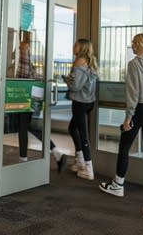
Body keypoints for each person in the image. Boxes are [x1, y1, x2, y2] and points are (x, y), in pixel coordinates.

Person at [99, 34, 143, 197]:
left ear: (138, 45)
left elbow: (133, 92)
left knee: (124, 147)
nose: (132, 45)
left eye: (134, 43)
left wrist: (128, 117)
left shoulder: (133, 64)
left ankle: (118, 185)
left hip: (140, 109)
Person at [16, 38, 68, 172]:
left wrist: (23, 50)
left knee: (26, 126)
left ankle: (25, 159)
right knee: (29, 126)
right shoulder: (33, 59)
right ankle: (56, 153)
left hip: (27, 95)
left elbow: (23, 72)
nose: (20, 45)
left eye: (22, 44)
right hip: (35, 95)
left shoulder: (25, 58)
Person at [64, 38, 98, 180]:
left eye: (76, 45)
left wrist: (67, 80)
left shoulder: (79, 62)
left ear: (82, 48)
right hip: (89, 102)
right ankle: (80, 162)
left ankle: (88, 168)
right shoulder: (91, 62)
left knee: (83, 133)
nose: (73, 46)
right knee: (73, 129)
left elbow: (75, 86)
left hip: (80, 102)